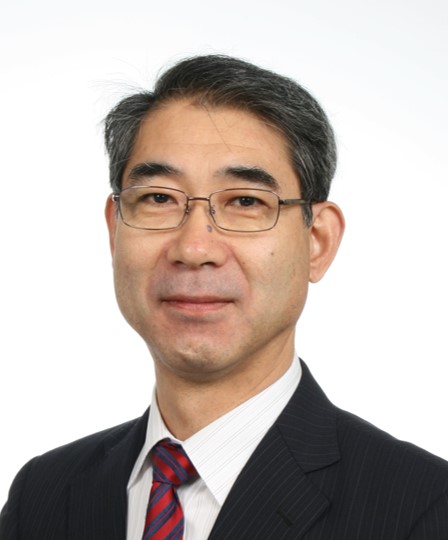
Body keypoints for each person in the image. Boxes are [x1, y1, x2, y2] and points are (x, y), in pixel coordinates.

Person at [1, 55, 448, 540]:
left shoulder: (422, 508)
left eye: (246, 202)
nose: (194, 249)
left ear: (317, 241)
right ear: (115, 231)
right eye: (158, 198)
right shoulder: (43, 495)